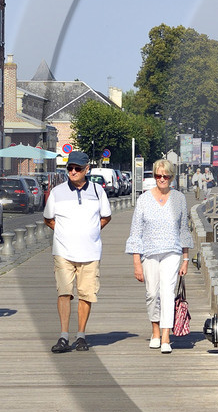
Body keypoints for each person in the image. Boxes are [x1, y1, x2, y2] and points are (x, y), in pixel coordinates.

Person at [44, 150, 111, 352]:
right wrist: (64, 232)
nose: (72, 172)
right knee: (64, 292)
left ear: (86, 169)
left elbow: (106, 216)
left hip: (90, 253)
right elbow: (48, 218)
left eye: (77, 168)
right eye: (70, 168)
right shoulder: (57, 192)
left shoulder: (98, 191)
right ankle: (64, 335)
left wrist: (91, 232)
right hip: (63, 252)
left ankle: (81, 335)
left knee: (86, 294)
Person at [125, 158, 191, 353]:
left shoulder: (179, 199)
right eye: (158, 175)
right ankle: (155, 330)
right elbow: (136, 232)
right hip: (149, 253)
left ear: (171, 178)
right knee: (152, 293)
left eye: (165, 176)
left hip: (172, 251)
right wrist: (137, 262)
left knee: (167, 292)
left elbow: (184, 230)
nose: (161, 179)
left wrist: (185, 259)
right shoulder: (144, 199)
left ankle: (165, 336)